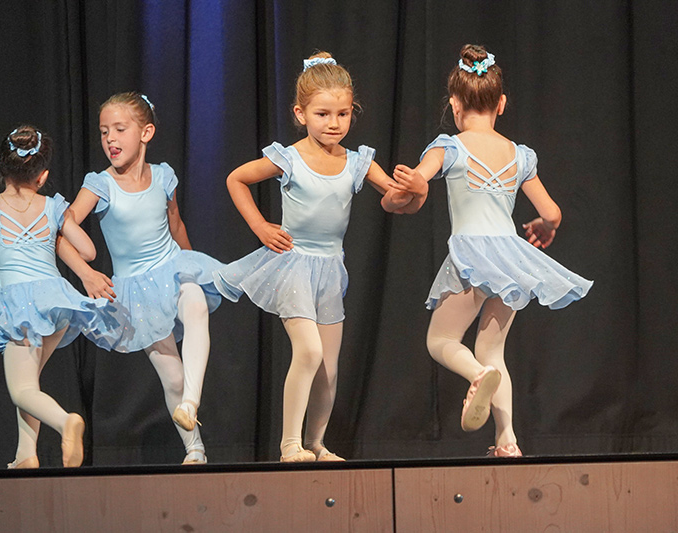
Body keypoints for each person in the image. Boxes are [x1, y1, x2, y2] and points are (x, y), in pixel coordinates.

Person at [214, 52, 427, 462]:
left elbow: (396, 200)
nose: (334, 123)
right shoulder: (289, 158)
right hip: (293, 264)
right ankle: (289, 444)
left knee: (328, 369)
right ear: (301, 114)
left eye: (342, 114)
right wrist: (260, 226)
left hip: (330, 269)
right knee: (309, 352)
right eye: (323, 114)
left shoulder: (356, 162)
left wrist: (416, 189)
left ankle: (316, 442)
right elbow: (236, 178)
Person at [393, 44, 593, 457]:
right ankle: (507, 440)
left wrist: (410, 186)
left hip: (471, 256)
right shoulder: (520, 155)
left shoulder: (449, 147)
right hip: (511, 260)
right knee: (493, 349)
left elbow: (420, 180)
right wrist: (545, 227)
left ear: (454, 104)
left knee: (441, 339)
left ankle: (477, 374)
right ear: (501, 104)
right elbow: (552, 212)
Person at [69, 92, 224, 465]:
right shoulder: (100, 185)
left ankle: (191, 402)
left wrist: (192, 264)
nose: (110, 139)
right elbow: (62, 228)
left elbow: (175, 223)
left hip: (172, 267)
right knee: (172, 377)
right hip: (136, 291)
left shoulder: (164, 176)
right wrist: (86, 273)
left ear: (146, 132)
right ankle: (195, 449)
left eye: (120, 129)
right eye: (104, 131)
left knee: (196, 305)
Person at [0, 125, 118, 468]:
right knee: (29, 384)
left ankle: (65, 421)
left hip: (21, 306)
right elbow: (88, 251)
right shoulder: (51, 206)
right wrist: (59, 225)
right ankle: (25, 455)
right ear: (42, 176)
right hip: (57, 301)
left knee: (21, 390)